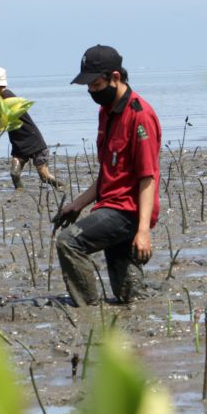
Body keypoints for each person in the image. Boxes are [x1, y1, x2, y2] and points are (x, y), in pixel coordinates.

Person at [54, 45, 161, 306]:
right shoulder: (107, 112)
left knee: (68, 242)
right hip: (109, 206)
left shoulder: (140, 116)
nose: (91, 91)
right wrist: (77, 205)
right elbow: (108, 173)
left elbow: (148, 177)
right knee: (130, 296)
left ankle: (88, 307)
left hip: (128, 211)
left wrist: (143, 230)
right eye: (88, 86)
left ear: (115, 77)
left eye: (96, 84)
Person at [0, 66, 61, 189]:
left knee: (44, 177)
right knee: (14, 174)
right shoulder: (0, 97)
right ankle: (19, 192)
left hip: (34, 141)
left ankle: (62, 187)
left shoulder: (8, 97)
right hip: (19, 143)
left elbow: (1, 125)